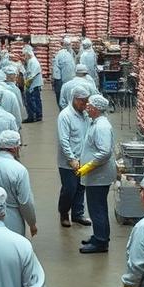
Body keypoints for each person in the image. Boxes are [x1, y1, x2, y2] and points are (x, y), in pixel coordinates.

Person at [76, 93, 116, 253]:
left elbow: (105, 152)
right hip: (96, 175)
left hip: (98, 175)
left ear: (96, 109)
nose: (87, 107)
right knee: (98, 207)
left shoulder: (101, 127)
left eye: (90, 106)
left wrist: (89, 166)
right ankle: (100, 236)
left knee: (96, 208)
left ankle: (100, 242)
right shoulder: (96, 123)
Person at [56, 83, 93, 228]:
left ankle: (78, 214)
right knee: (69, 188)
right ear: (75, 99)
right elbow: (63, 140)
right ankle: (64, 213)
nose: (85, 104)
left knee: (81, 187)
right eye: (83, 101)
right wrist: (71, 158)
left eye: (86, 101)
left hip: (83, 159)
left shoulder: (85, 115)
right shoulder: (65, 116)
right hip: (68, 162)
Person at [22, 44, 43, 123]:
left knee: (32, 100)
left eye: (25, 55)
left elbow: (32, 75)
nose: (25, 56)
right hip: (33, 84)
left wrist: (27, 85)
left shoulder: (34, 62)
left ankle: (33, 116)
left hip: (34, 84)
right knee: (35, 100)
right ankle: (37, 115)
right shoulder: (31, 61)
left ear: (28, 53)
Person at [51, 37, 75, 106]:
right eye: (67, 44)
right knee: (61, 97)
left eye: (69, 44)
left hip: (69, 79)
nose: (68, 46)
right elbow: (56, 69)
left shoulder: (71, 53)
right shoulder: (60, 54)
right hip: (60, 80)